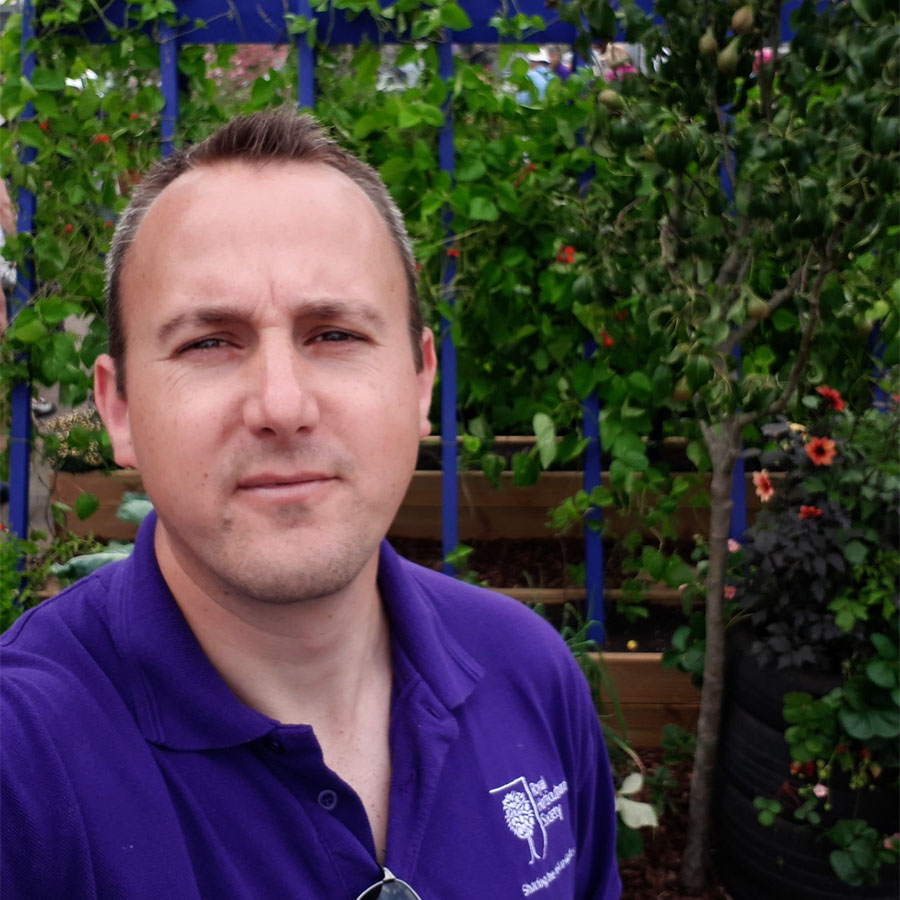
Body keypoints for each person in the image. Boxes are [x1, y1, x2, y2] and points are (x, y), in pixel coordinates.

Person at [0, 110, 621, 899]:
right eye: (209, 342)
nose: (282, 406)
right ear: (118, 408)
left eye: (334, 335)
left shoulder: (529, 673)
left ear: (420, 382)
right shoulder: (23, 768)